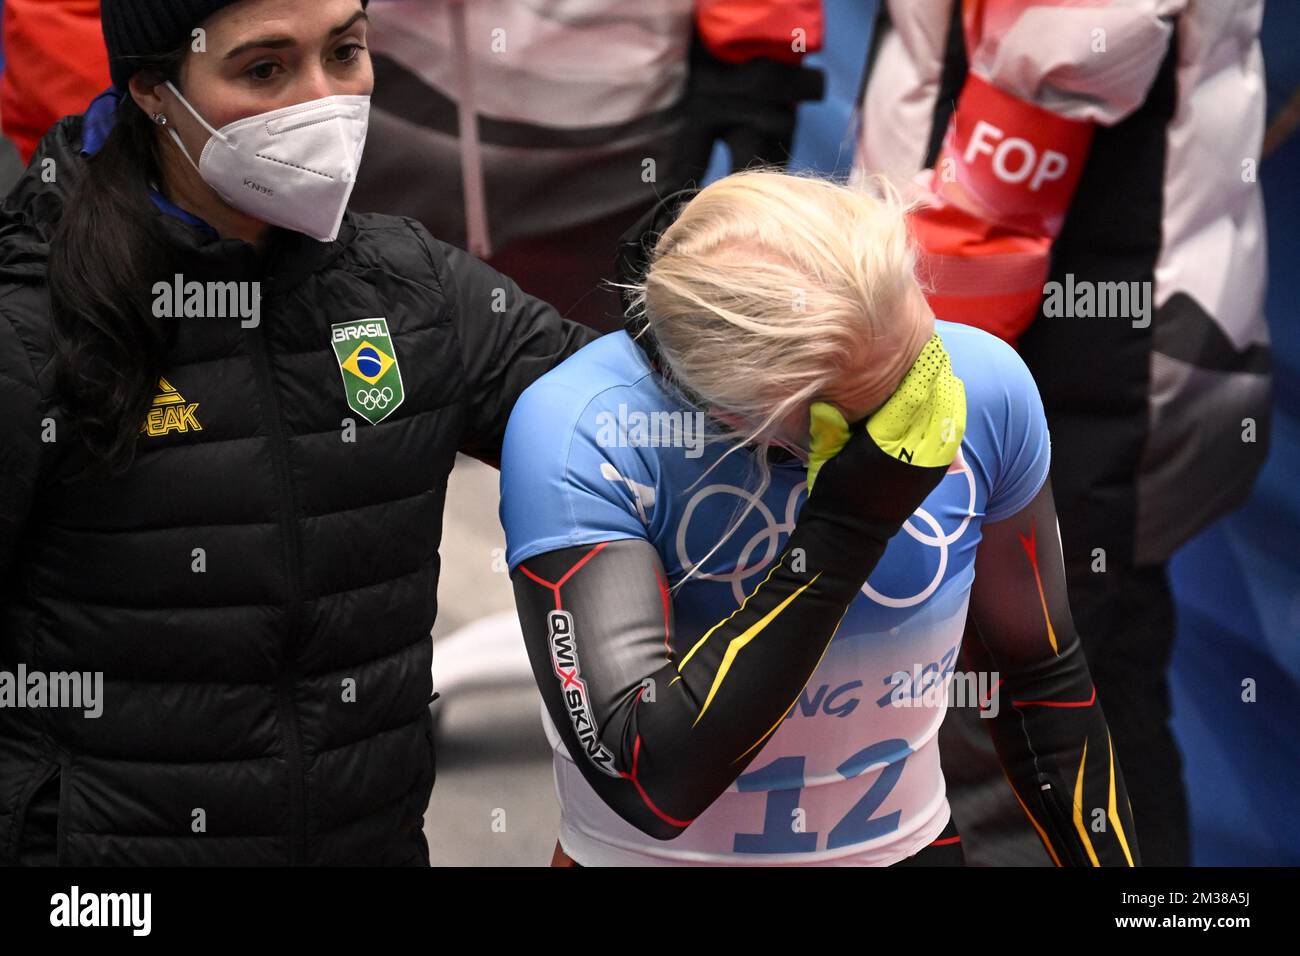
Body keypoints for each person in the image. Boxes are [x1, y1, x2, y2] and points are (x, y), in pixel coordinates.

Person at [0, 0, 597, 865]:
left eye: (346, 52)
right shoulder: (33, 329)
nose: (323, 101)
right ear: (155, 92)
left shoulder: (413, 290)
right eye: (265, 69)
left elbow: (628, 420)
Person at [499, 170, 1140, 866]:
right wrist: (847, 528)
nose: (926, 408)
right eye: (879, 408)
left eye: (922, 357)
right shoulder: (586, 431)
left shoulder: (981, 384)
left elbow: (1042, 681)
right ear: (738, 417)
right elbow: (654, 782)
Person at [855, 0, 1272, 866]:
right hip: (1135, 327)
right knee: (1102, 686)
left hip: (1067, 339)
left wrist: (910, 355)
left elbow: (1067, 49)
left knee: (996, 734)